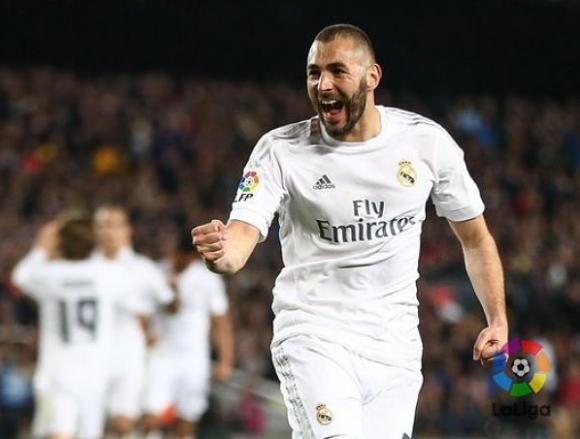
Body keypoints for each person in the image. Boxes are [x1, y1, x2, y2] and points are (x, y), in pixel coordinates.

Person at [191, 24, 508, 438]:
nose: (323, 84)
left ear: (372, 77)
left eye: (338, 71)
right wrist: (220, 251)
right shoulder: (280, 151)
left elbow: (476, 238)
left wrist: (497, 319)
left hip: (394, 348)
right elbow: (239, 240)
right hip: (314, 335)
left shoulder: (426, 145)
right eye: (313, 73)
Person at [12, 213, 147, 439]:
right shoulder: (107, 274)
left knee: (58, 433)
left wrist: (41, 248)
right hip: (94, 375)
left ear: (60, 243)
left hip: (56, 373)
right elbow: (137, 285)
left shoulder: (49, 275)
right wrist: (117, 243)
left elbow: (20, 276)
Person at [92, 205, 174, 437]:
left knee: (122, 424)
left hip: (129, 353)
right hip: (91, 353)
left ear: (127, 230)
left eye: (113, 225)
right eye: (101, 226)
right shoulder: (85, 268)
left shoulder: (144, 269)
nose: (107, 232)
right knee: (91, 422)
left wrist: (152, 329)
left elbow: (170, 305)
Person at [143, 235, 234, 439]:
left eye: (187, 257)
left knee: (188, 418)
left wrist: (225, 361)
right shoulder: (157, 272)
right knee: (151, 416)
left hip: (194, 357)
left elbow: (221, 322)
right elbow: (142, 311)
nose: (182, 261)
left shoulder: (208, 279)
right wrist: (147, 334)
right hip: (161, 354)